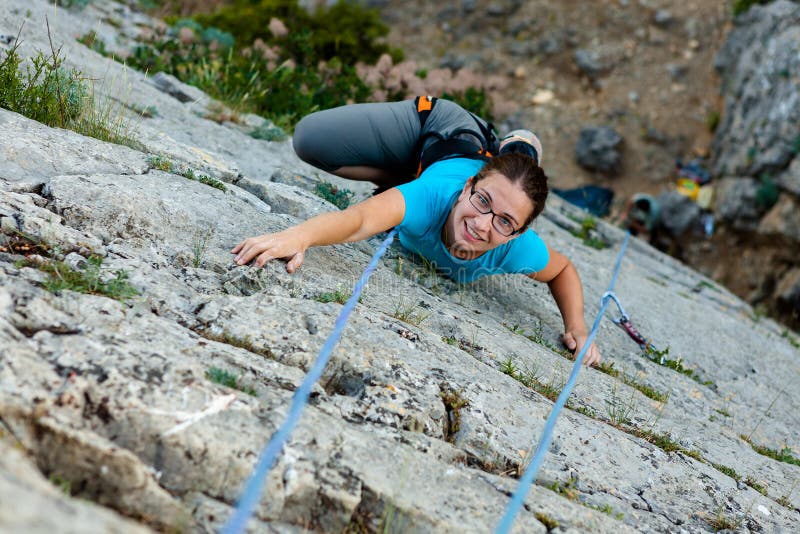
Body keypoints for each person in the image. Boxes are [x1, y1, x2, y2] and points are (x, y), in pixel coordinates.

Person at [232, 99, 601, 365]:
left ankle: (511, 154)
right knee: (310, 140)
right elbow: (360, 220)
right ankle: (501, 151)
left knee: (478, 190)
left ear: (519, 233)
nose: (482, 224)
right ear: (468, 186)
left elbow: (562, 269)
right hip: (449, 134)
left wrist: (577, 328)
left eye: (505, 222)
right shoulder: (430, 198)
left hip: (434, 176)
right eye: (483, 201)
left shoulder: (515, 251)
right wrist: (300, 236)